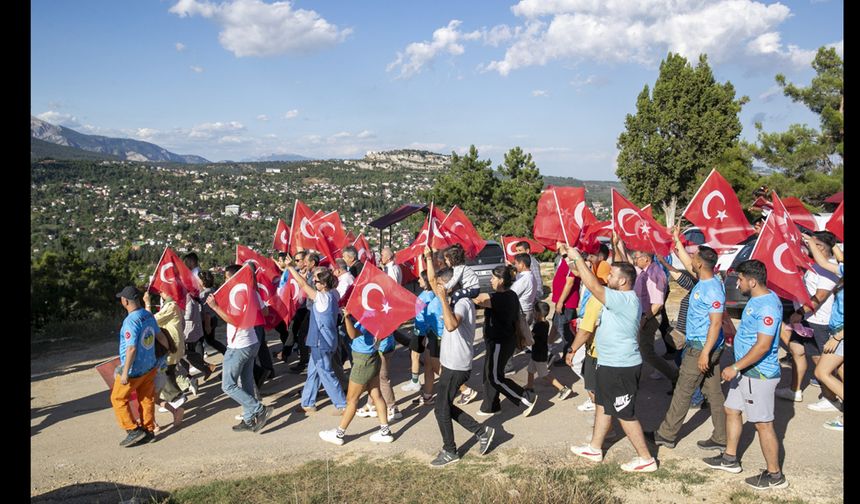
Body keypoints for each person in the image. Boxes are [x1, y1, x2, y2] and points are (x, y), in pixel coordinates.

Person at [562, 244, 658, 473]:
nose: (608, 276)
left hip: (621, 366)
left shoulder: (624, 299)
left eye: (613, 275)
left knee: (624, 413)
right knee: (603, 405)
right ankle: (595, 448)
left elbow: (593, 285)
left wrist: (577, 259)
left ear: (623, 281)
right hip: (608, 363)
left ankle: (645, 458)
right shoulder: (618, 296)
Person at [702, 259, 788, 490]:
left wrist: (736, 367)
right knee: (732, 410)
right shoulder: (757, 299)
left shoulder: (767, 306)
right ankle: (730, 459)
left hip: (756, 374)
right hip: (745, 373)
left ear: (752, 281)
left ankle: (775, 475)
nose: (737, 283)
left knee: (762, 424)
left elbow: (763, 346)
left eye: (740, 279)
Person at [648, 237, 727, 452]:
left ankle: (666, 435)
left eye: (694, 257)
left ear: (700, 264)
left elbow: (716, 323)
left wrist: (705, 354)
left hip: (702, 347)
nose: (690, 259)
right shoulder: (705, 280)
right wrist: (676, 242)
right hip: (703, 346)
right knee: (714, 393)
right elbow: (684, 263)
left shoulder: (712, 289)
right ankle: (722, 436)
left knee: (683, 391)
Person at [425, 248, 495, 467]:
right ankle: (482, 431)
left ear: (453, 284)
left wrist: (444, 300)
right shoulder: (456, 298)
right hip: (450, 363)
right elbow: (432, 279)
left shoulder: (463, 303)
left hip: (458, 365)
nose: (438, 289)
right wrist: (428, 258)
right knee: (444, 406)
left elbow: (451, 324)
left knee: (440, 409)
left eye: (442, 286)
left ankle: (450, 451)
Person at [775, 231, 841, 411]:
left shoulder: (830, 268)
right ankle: (794, 390)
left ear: (823, 247)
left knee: (823, 363)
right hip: (806, 319)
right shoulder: (814, 265)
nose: (811, 247)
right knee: (797, 351)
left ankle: (831, 398)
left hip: (820, 322)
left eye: (815, 244)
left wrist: (800, 312)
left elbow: (819, 296)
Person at [205, 264, 273, 433]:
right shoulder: (251, 291)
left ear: (233, 278)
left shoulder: (236, 293)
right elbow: (264, 312)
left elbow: (235, 320)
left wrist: (215, 307)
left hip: (239, 345)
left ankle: (258, 409)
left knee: (228, 385)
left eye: (226, 278)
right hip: (251, 341)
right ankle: (249, 418)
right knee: (247, 382)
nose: (224, 281)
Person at [318, 308, 394, 445]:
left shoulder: (369, 318)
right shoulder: (380, 314)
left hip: (362, 361)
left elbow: (353, 334)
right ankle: (385, 431)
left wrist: (347, 318)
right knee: (376, 395)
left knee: (351, 400)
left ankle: (339, 434)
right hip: (373, 358)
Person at [282, 258, 348, 414]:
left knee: (325, 373)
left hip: (321, 342)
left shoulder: (322, 297)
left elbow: (303, 285)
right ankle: (308, 403)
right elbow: (307, 284)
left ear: (323, 284)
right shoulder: (334, 294)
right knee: (313, 372)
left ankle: (342, 404)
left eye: (316, 280)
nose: (314, 282)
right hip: (328, 340)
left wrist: (290, 268)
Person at [473, 265, 538, 417]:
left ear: (501, 280)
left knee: (495, 376)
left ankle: (525, 397)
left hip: (499, 343)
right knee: (490, 372)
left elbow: (480, 301)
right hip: (502, 341)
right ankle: (491, 405)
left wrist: (464, 294)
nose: (491, 280)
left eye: (493, 277)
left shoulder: (499, 298)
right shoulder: (511, 294)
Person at [614, 236, 678, 386]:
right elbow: (628, 263)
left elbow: (657, 304)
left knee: (647, 353)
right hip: (643, 315)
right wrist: (619, 244)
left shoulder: (654, 275)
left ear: (646, 259)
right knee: (638, 348)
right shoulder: (644, 270)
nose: (635, 260)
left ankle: (674, 376)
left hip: (650, 317)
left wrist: (644, 319)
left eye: (637, 257)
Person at [802, 233, 844, 431]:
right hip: (838, 330)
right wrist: (826, 241)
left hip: (840, 334)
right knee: (841, 372)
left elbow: (825, 261)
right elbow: (829, 261)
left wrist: (837, 337)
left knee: (822, 372)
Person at [111, 286, 159, 447]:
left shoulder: (130, 321)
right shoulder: (147, 315)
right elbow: (159, 335)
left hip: (134, 370)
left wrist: (124, 372)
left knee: (117, 398)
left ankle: (133, 430)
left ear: (125, 301)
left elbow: (131, 348)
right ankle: (149, 430)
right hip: (150, 365)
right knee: (146, 399)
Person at [143, 291, 189, 410]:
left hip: (170, 345)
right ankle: (174, 397)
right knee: (169, 371)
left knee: (163, 372)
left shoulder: (171, 306)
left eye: (162, 290)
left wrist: (147, 304)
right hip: (172, 344)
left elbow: (151, 320)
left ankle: (175, 397)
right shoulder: (171, 305)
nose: (160, 293)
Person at [405, 267, 444, 406]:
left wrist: (422, 333)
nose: (418, 280)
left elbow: (427, 316)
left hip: (427, 333)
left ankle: (463, 389)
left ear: (427, 281)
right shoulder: (429, 294)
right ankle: (427, 396)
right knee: (428, 365)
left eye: (420, 278)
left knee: (431, 365)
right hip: (426, 332)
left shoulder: (428, 297)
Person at [526, 302, 573, 401]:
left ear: (538, 313)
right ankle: (529, 388)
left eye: (534, 312)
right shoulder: (546, 323)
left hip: (539, 355)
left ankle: (562, 389)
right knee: (530, 371)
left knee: (544, 375)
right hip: (538, 353)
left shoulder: (538, 326)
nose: (533, 314)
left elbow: (530, 337)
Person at [198, 270, 227, 356]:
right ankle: (225, 352)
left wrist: (207, 325)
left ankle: (200, 363)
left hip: (207, 321)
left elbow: (207, 312)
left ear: (203, 281)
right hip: (212, 319)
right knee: (210, 340)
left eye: (199, 279)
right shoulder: (212, 289)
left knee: (203, 341)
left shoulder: (205, 294)